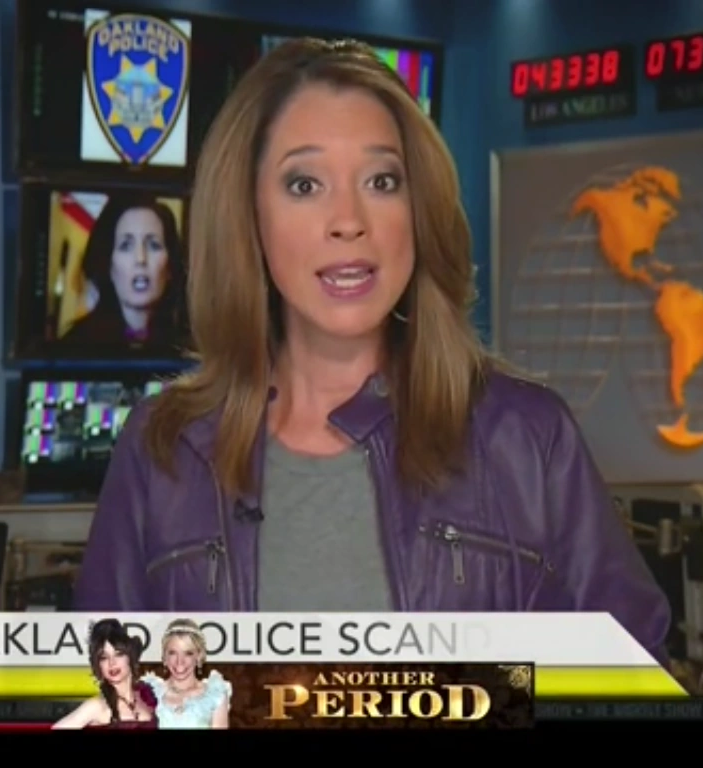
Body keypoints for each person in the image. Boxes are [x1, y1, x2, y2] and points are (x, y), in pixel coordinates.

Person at [72, 38, 671, 661]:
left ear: (417, 209)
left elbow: (631, 680)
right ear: (248, 216)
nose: (349, 220)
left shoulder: (528, 439)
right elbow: (100, 690)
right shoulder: (162, 450)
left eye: (382, 181)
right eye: (305, 184)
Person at [62, 194, 186, 350]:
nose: (140, 259)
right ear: (108, 264)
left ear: (169, 267)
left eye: (153, 245)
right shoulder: (75, 347)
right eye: (126, 246)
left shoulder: (189, 348)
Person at [52, 619, 158, 729]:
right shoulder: (96, 706)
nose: (112, 663)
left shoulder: (148, 697)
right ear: (98, 664)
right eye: (104, 657)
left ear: (130, 657)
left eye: (118, 654)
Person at [140, 619, 232, 729]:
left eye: (188, 653)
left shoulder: (214, 695)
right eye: (173, 653)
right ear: (164, 657)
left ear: (199, 656)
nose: (180, 662)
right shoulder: (149, 692)